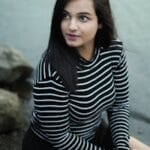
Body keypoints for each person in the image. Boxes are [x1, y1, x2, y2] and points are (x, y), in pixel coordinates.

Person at [22, 0, 150, 149]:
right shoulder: (51, 70)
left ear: (100, 21)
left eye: (83, 17)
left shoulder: (113, 50)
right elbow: (60, 137)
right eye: (65, 16)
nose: (71, 26)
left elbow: (119, 105)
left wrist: (121, 145)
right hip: (53, 145)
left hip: (94, 132)